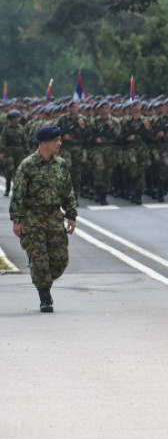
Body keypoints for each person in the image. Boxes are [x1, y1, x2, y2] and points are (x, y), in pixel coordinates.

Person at [10, 125, 78, 312]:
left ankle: (43, 277)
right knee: (39, 258)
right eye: (56, 140)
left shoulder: (60, 164)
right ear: (45, 143)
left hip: (54, 216)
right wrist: (17, 220)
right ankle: (45, 297)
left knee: (60, 259)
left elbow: (67, 191)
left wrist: (71, 215)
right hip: (33, 218)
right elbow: (18, 194)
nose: (60, 143)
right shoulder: (27, 165)